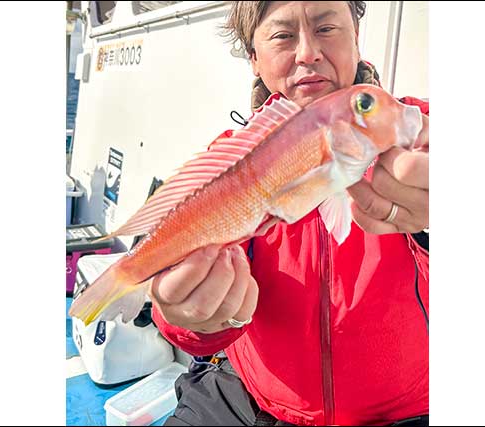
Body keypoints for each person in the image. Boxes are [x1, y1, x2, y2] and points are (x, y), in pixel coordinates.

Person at [148, 2, 430, 425]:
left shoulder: (417, 131)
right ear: (255, 60)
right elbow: (184, 324)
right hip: (248, 402)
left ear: (355, 35)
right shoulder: (227, 162)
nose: (307, 54)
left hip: (408, 411)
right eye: (282, 35)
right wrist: (189, 316)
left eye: (326, 27)